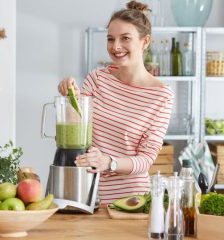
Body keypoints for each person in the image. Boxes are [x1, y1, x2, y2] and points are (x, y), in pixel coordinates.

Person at [58, 1, 174, 205]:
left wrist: (109, 163)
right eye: (110, 39)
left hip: (129, 199)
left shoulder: (161, 96)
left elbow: (146, 160)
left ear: (145, 41)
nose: (116, 46)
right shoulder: (97, 79)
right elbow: (74, 134)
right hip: (84, 192)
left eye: (125, 38)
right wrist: (71, 98)